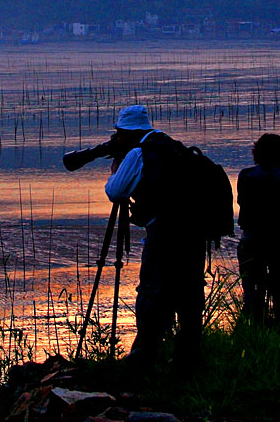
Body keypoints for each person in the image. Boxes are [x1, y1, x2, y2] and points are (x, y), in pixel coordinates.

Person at [104, 105, 205, 368]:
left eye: (119, 134)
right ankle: (188, 358)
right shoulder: (174, 147)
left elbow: (116, 192)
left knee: (152, 290)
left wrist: (116, 168)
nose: (117, 139)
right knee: (189, 293)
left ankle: (143, 359)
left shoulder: (139, 153)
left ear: (127, 133)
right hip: (194, 232)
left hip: (164, 233)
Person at [236, 133, 280, 326]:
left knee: (251, 289)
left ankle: (253, 325)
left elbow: (242, 202)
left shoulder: (246, 175)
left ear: (256, 154)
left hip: (250, 240)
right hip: (277, 241)